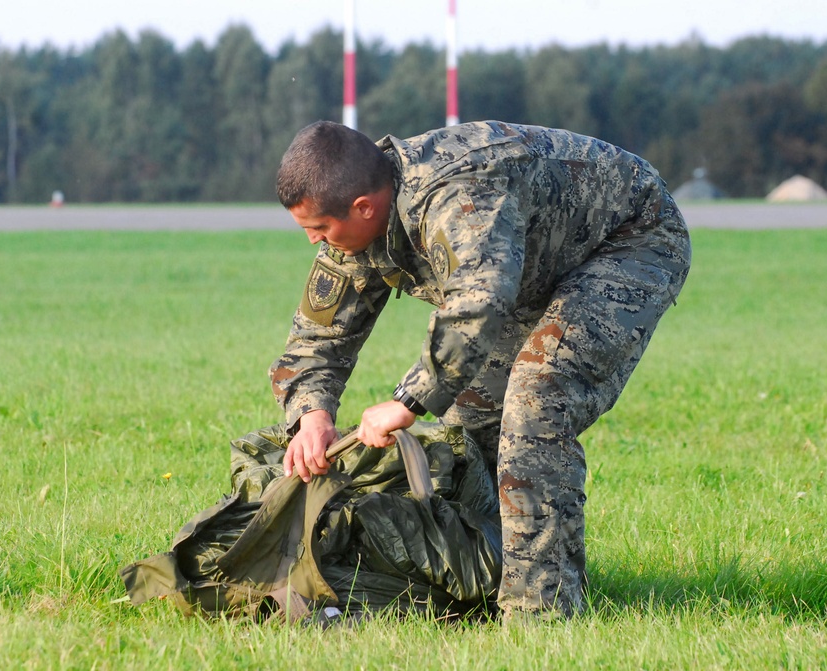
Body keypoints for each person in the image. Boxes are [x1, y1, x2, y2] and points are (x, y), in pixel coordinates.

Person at [269, 120, 691, 620]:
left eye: (318, 230)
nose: (314, 242)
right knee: (468, 429)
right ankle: (484, 585)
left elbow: (480, 302)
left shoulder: (456, 194)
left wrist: (406, 401)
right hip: (532, 272)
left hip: (629, 242)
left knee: (536, 404)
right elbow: (320, 337)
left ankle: (543, 613)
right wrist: (311, 415)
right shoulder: (356, 225)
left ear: (363, 207)